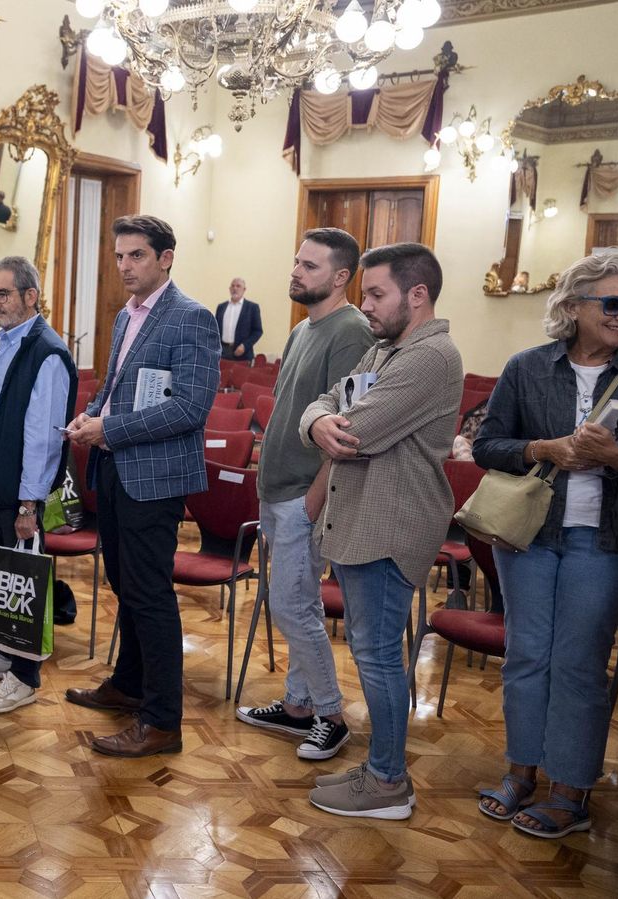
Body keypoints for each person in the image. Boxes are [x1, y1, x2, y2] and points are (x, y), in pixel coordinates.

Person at [472, 253, 618, 839]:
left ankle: (571, 789)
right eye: (612, 303)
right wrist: (541, 449)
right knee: (526, 655)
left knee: (580, 664)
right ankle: (520, 772)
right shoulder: (527, 367)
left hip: (608, 541)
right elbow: (487, 444)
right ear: (572, 306)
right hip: (531, 536)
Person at [300, 241, 462, 820]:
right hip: (362, 518)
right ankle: (380, 767)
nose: (364, 305)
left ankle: (390, 781)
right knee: (371, 653)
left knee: (377, 656)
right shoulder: (384, 350)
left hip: (389, 525)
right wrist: (317, 420)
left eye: (376, 293)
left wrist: (325, 424)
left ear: (417, 295)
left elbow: (356, 430)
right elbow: (323, 406)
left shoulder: (429, 357)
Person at [64, 215, 219, 758]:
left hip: (154, 478)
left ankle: (162, 722)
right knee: (125, 588)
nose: (125, 266)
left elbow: (190, 407)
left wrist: (110, 429)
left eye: (136, 256)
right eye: (120, 256)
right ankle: (129, 686)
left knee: (150, 597)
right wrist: (89, 416)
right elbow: (112, 389)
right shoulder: (126, 315)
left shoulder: (192, 318)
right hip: (114, 469)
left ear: (166, 258)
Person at [236, 228, 374, 760]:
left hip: (304, 495)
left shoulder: (351, 333)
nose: (296, 272)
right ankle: (297, 706)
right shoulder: (302, 330)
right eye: (297, 261)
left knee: (292, 607)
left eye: (310, 266)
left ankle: (330, 714)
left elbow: (347, 427)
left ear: (341, 278)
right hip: (279, 490)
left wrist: (316, 498)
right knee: (296, 602)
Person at [0, 257, 77, 712]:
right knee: (6, 575)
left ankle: (24, 676)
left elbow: (43, 437)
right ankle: (4, 652)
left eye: (3, 294)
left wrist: (30, 505)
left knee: (24, 577)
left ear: (31, 296)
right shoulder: (6, 342)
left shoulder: (47, 351)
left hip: (19, 492)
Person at [215, 277, 264, 361]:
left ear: (244, 289)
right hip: (223, 352)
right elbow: (215, 329)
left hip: (242, 353)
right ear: (230, 289)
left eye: (238, 286)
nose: (235, 288)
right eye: (233, 286)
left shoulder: (252, 307)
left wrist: (244, 346)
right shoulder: (221, 307)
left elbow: (258, 331)